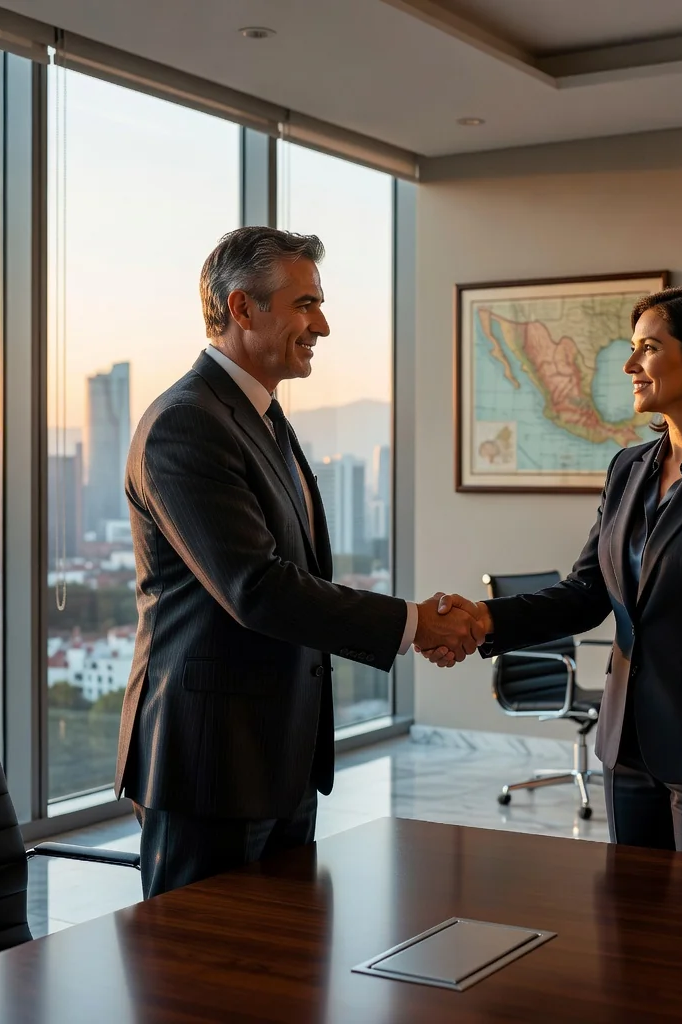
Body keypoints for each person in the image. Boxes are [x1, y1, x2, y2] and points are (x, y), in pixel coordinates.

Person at [115, 226, 483, 898]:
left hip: (277, 758)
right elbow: (256, 588)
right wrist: (413, 624)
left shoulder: (260, 418)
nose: (323, 325)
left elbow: (297, 578)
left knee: (283, 974)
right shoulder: (186, 423)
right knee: (202, 982)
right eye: (305, 304)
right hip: (211, 762)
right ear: (242, 308)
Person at [424, 285, 682, 860]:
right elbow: (585, 593)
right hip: (626, 742)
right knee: (630, 936)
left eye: (648, 348)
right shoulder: (628, 468)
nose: (630, 365)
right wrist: (483, 618)